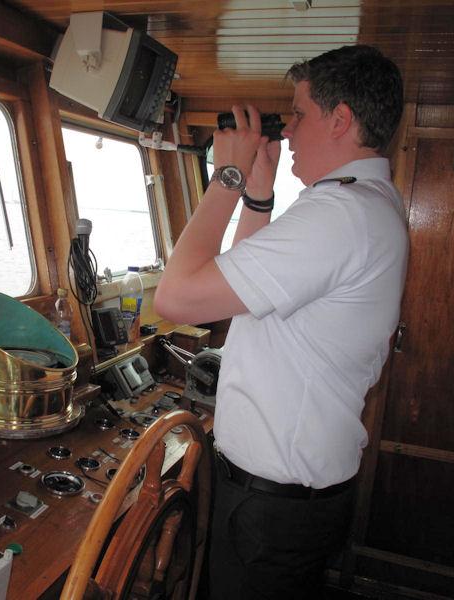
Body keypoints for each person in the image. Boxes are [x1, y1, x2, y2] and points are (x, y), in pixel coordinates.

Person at [154, 45, 408, 599]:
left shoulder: (340, 214)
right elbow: (240, 294)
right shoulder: (362, 205)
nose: (287, 132)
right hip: (284, 500)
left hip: (272, 508)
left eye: (298, 114)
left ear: (340, 120)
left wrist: (226, 176)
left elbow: (174, 298)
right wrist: (257, 194)